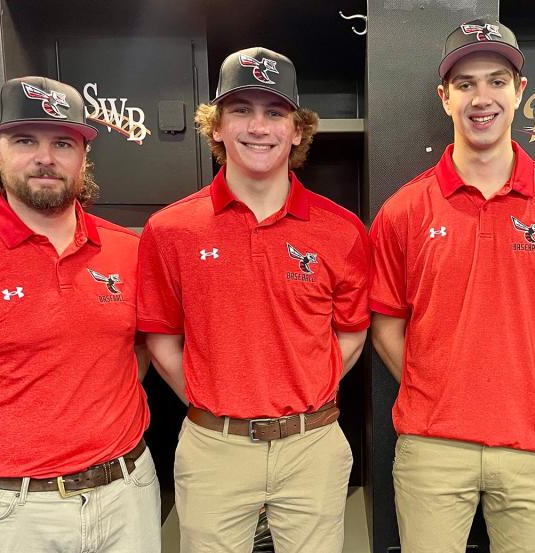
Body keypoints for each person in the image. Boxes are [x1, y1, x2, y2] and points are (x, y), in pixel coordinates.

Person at [0, 76, 159, 553]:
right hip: (9, 515)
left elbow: (136, 353)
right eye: (25, 140)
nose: (45, 157)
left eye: (63, 142)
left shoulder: (130, 252)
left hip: (127, 494)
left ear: (83, 157)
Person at [369, 19, 535, 553]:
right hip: (432, 445)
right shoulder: (403, 209)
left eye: (496, 80)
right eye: (465, 83)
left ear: (520, 91)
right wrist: (442, 389)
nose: (482, 97)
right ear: (444, 97)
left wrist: (523, 382)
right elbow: (386, 325)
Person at [137, 47, 369, 553]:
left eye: (274, 113)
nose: (258, 127)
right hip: (213, 446)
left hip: (313, 444)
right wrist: (215, 401)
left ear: (298, 130)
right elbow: (161, 340)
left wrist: (306, 387)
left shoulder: (342, 230)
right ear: (215, 126)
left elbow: (352, 333)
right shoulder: (170, 229)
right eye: (241, 110)